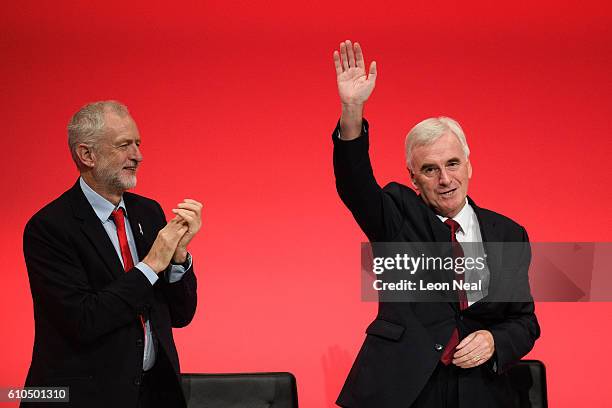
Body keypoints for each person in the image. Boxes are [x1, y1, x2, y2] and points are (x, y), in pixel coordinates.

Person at [331, 40, 540, 408]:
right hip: (404, 387)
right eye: (430, 169)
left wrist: (495, 341)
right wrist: (352, 110)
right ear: (414, 179)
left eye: (453, 164)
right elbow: (354, 184)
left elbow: (524, 322)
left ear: (469, 166)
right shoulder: (396, 215)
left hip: (479, 388)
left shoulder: (508, 234)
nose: (445, 179)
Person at [22, 101, 201, 408]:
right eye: (124, 145)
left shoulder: (149, 211)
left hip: (153, 395)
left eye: (138, 143)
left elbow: (180, 316)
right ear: (87, 155)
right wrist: (151, 265)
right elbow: (84, 320)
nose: (138, 155)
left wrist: (178, 259)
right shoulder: (49, 228)